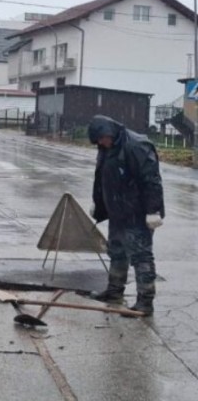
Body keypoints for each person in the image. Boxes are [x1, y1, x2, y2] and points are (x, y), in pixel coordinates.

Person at [87, 115, 164, 316]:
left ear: (109, 132)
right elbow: (102, 177)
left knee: (141, 256)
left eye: (102, 139)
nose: (101, 143)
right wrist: (99, 203)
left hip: (137, 213)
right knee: (117, 251)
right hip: (117, 212)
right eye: (98, 142)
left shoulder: (136, 146)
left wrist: (153, 211)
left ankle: (145, 302)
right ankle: (114, 292)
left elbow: (151, 181)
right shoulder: (106, 148)